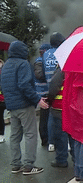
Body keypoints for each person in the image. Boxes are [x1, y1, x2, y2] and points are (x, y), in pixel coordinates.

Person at [0, 41, 48, 175]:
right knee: (31, 134)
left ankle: (16, 165)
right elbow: (24, 85)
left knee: (15, 136)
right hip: (24, 105)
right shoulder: (23, 64)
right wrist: (37, 100)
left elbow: (4, 86)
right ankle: (29, 165)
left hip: (11, 106)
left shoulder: (5, 66)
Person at [46, 67, 74, 168]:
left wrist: (49, 99)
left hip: (60, 108)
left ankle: (61, 159)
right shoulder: (79, 70)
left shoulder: (62, 70)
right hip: (73, 108)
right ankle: (77, 158)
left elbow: (53, 86)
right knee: (74, 136)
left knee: (60, 136)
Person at [43, 33, 66, 152]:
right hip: (60, 88)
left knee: (51, 118)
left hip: (48, 87)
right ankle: (64, 145)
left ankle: (51, 142)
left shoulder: (46, 54)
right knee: (63, 119)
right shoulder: (62, 53)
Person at [34, 43, 51, 148]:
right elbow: (39, 75)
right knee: (45, 118)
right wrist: (49, 74)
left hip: (44, 93)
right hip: (43, 94)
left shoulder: (41, 61)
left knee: (46, 117)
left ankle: (47, 139)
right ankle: (45, 139)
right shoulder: (40, 62)